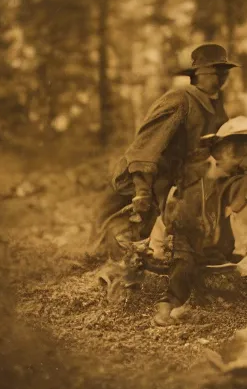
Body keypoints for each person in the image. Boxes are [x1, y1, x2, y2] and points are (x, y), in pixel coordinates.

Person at [94, 44, 238, 257]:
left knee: (187, 232)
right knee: (127, 238)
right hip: (148, 178)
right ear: (199, 74)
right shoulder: (180, 100)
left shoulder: (215, 106)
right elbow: (146, 145)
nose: (223, 77)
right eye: (217, 71)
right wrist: (142, 189)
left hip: (179, 179)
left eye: (225, 71)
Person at [151, 117, 247, 326]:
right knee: (183, 270)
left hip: (216, 250)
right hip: (188, 246)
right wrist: (158, 245)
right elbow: (171, 217)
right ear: (227, 151)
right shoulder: (197, 179)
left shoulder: (237, 181)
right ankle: (164, 310)